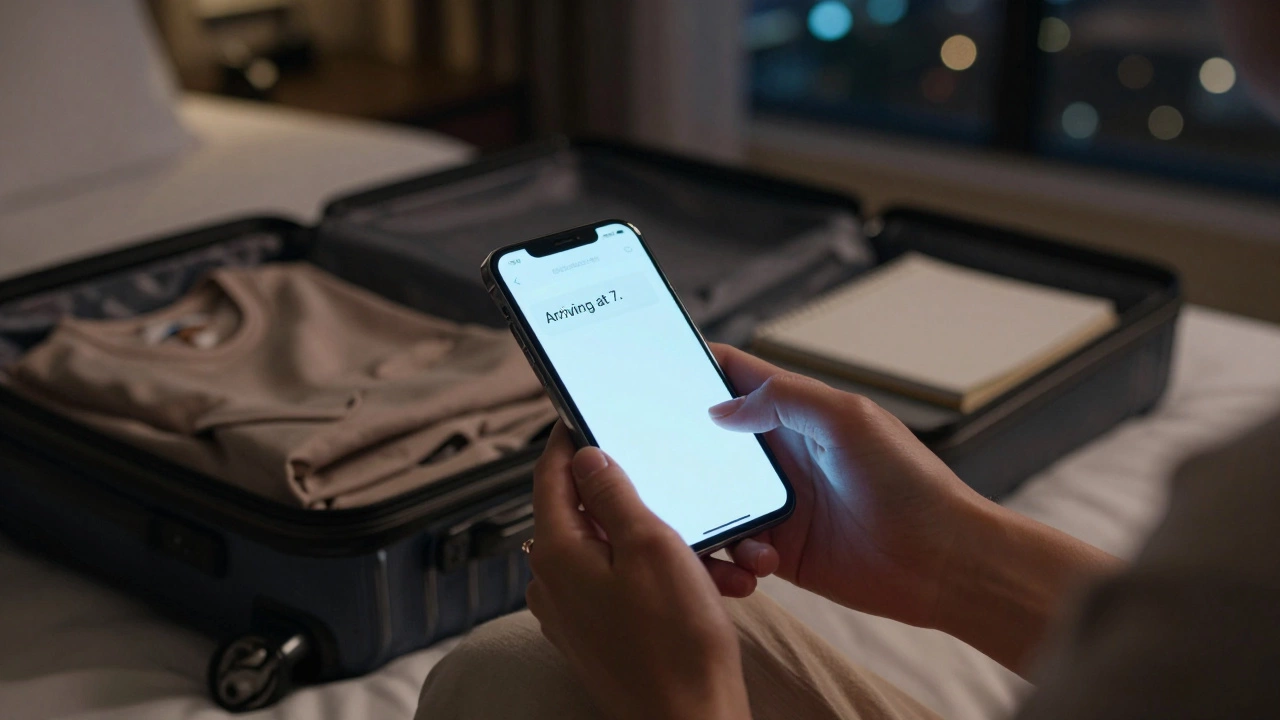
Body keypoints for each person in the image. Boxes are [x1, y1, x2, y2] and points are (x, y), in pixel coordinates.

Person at [417, 4, 1280, 717]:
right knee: (520, 667)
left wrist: (683, 702)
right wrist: (949, 559)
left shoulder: (1248, 522)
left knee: (513, 678)